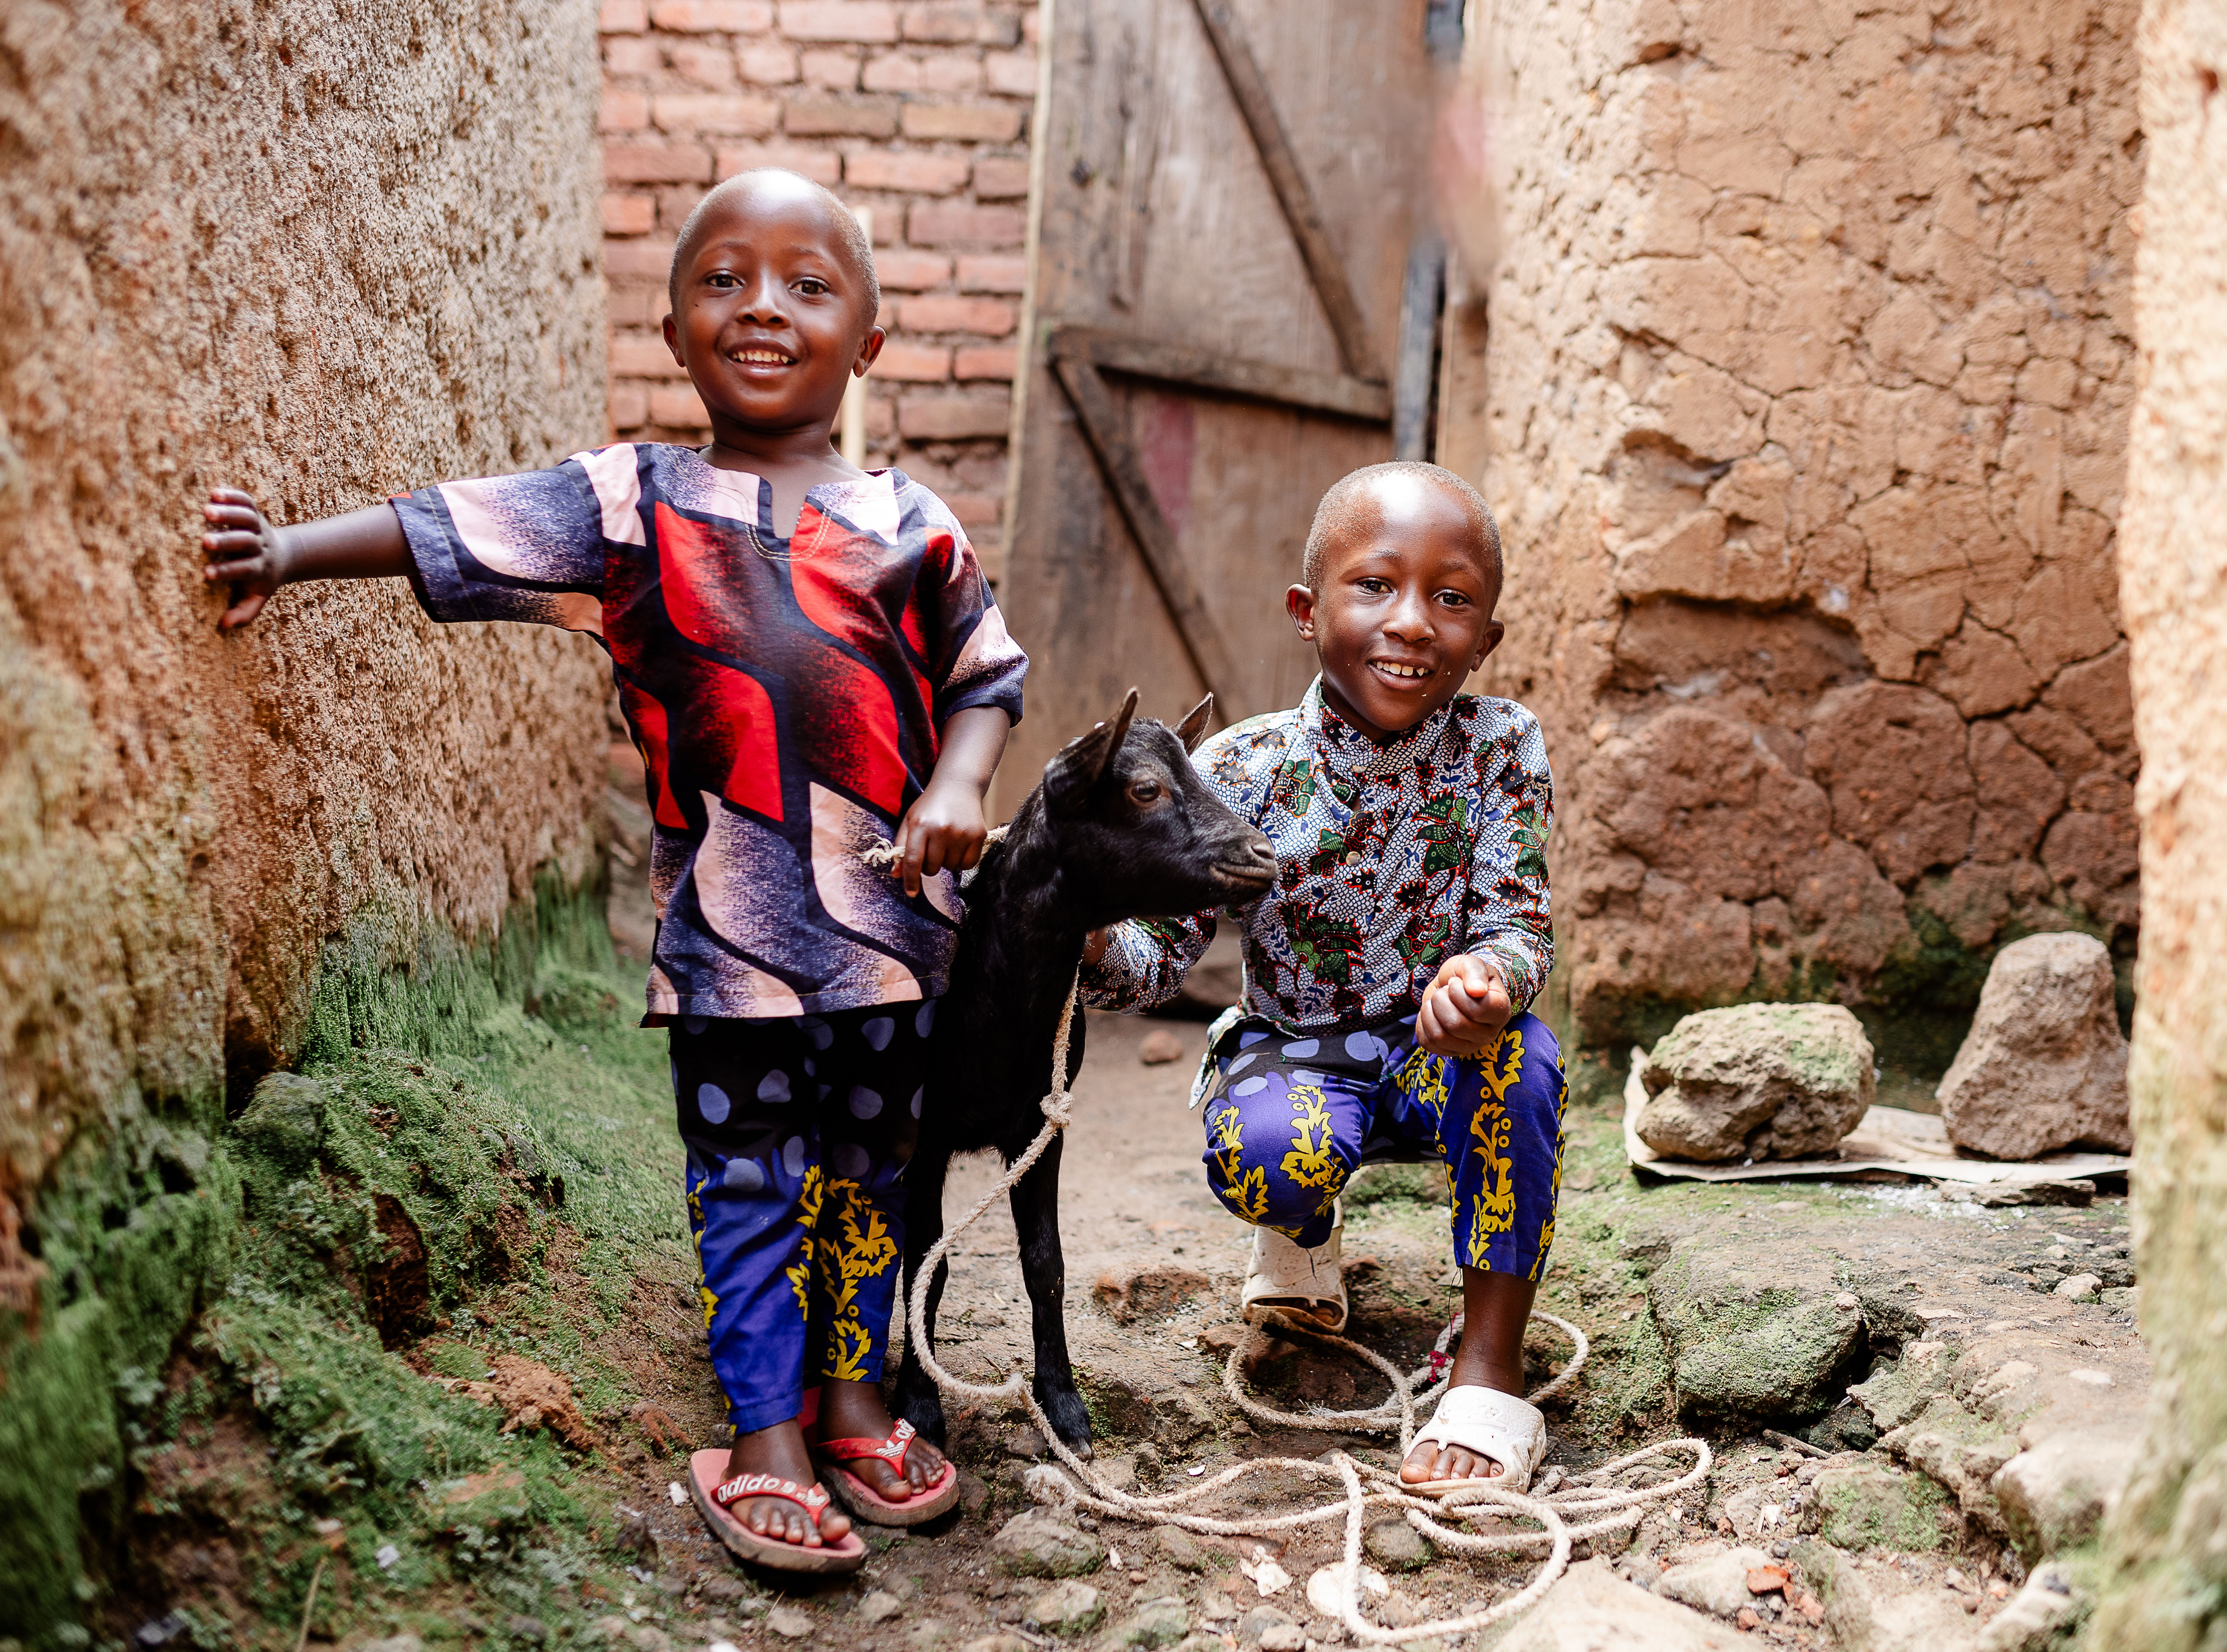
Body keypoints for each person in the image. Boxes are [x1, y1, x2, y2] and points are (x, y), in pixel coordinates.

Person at [197, 171, 1020, 1565]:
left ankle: (852, 1393)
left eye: (809, 286)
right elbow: (449, 523)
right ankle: (760, 1428)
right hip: (730, 943)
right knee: (750, 1172)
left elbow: (983, 675)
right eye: (724, 279)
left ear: (869, 341)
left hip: (892, 930)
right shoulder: (628, 500)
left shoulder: (912, 518)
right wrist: (286, 550)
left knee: (864, 1171)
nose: (763, 305)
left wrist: (955, 781)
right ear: (672, 320)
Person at [1081, 462, 1566, 1494]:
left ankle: (1489, 1366)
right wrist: (1082, 937)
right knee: (1273, 1158)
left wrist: (1485, 979)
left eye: (1451, 597)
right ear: (1307, 610)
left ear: (1487, 635)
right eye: (1374, 586)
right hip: (1295, 1053)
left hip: (1446, 1059)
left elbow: (1519, 922)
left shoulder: (1501, 748)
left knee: (1523, 1059)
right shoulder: (1247, 768)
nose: (1412, 622)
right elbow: (1158, 956)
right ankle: (1300, 1236)